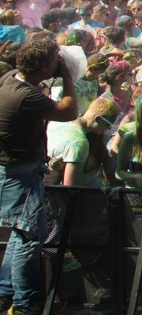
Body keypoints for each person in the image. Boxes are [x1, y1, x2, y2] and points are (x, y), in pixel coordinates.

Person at [0, 37, 78, 314]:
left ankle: (5, 293)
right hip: (19, 173)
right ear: (45, 65)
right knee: (29, 236)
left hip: (18, 170)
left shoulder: (11, 79)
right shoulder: (26, 96)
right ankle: (25, 303)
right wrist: (67, 76)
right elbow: (69, 111)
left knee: (21, 233)